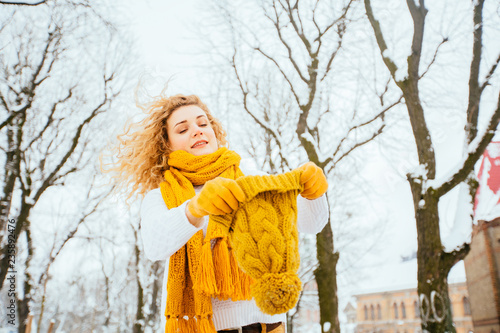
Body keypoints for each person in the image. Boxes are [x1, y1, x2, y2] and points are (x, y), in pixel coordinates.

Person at [110, 93, 329, 333]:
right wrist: (195, 209)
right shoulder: (160, 197)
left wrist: (314, 193)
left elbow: (311, 224)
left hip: (268, 323)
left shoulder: (251, 179)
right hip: (206, 327)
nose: (197, 130)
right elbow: (154, 246)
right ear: (166, 144)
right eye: (183, 130)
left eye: (203, 124)